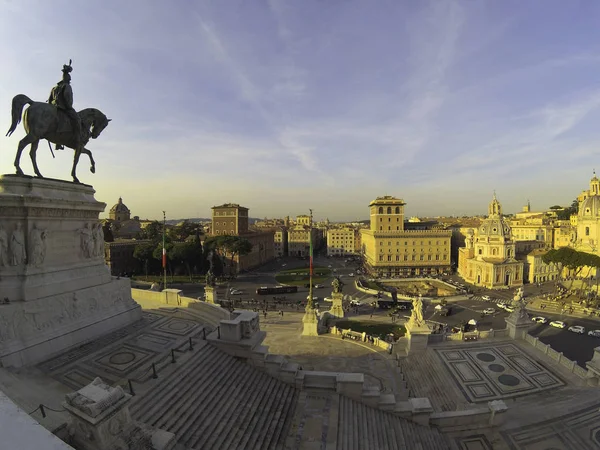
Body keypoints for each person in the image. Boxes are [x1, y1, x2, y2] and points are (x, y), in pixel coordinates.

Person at [48, 60, 82, 151]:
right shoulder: (67, 86)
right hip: (63, 107)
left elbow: (50, 100)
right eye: (69, 80)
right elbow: (68, 99)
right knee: (77, 119)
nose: (70, 81)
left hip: (53, 107)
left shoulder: (54, 88)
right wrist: (69, 107)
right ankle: (77, 139)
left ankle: (58, 144)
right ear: (67, 79)